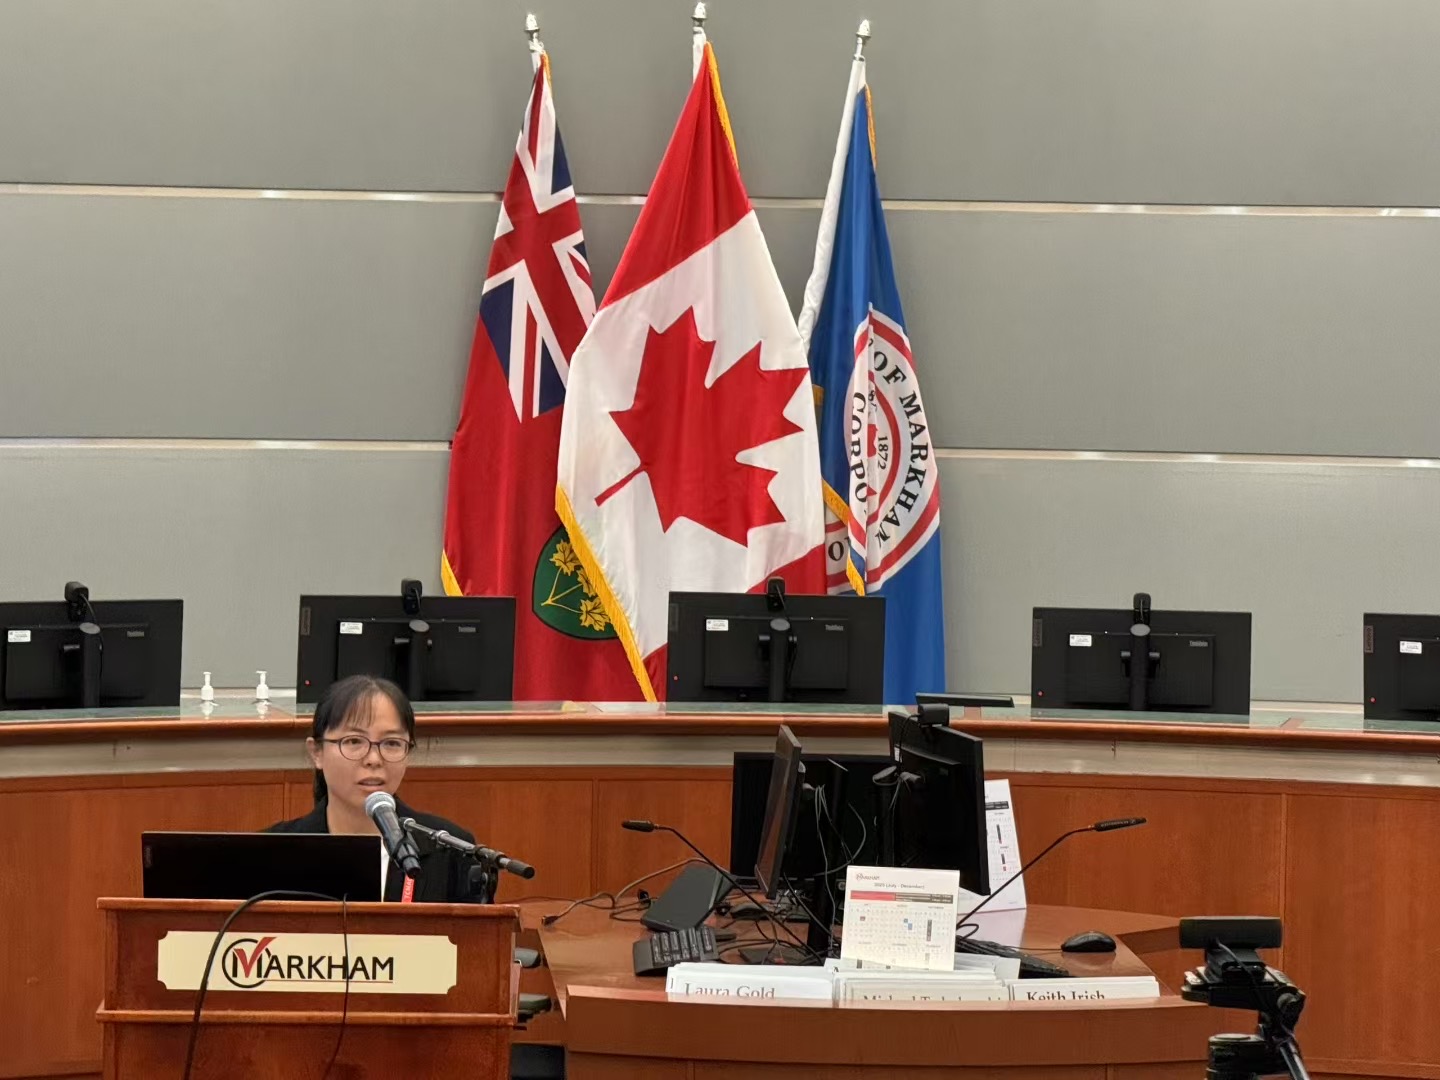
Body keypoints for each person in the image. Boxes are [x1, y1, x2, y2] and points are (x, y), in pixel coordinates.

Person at [267, 674, 479, 902]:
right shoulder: (272, 852)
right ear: (317, 752)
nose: (374, 759)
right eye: (354, 741)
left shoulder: (450, 850)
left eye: (391, 743)